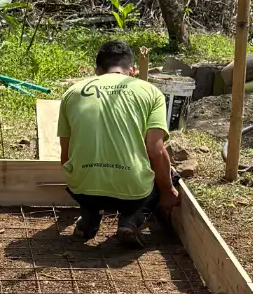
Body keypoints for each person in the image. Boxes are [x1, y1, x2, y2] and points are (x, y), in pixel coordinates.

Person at [58, 38, 177, 246]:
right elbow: (156, 151)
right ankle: (131, 220)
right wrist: (167, 192)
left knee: (87, 180)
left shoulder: (72, 92)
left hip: (83, 190)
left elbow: (65, 155)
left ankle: (90, 215)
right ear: (132, 70)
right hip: (132, 194)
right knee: (169, 175)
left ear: (97, 70)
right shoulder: (150, 92)